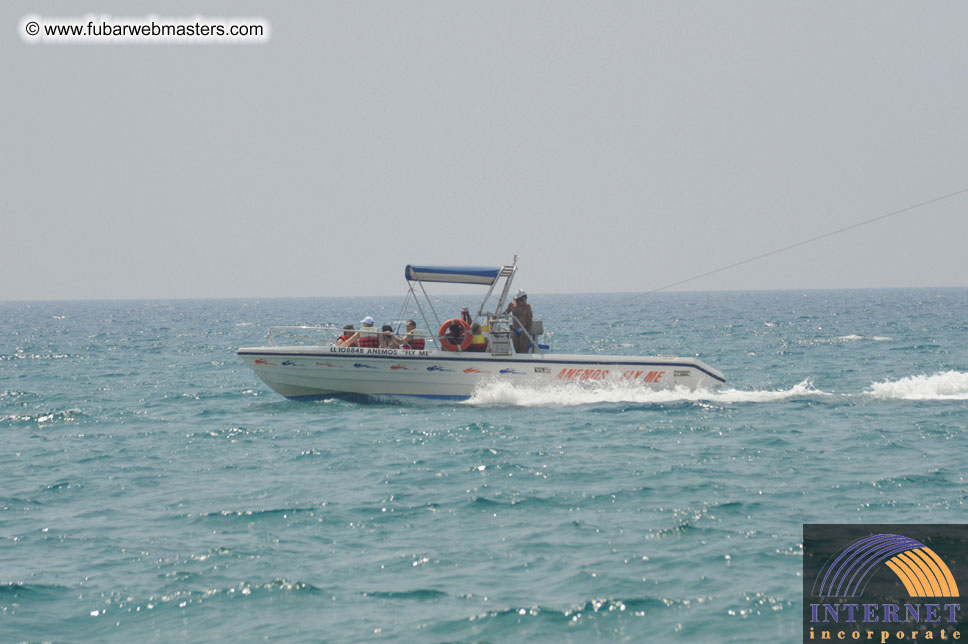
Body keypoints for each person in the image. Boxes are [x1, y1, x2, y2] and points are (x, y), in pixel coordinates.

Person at [505, 289, 533, 353]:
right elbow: (506, 312)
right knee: (516, 348)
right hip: (515, 329)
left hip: (524, 329)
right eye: (524, 297)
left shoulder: (527, 306)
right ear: (520, 298)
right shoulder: (512, 305)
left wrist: (528, 330)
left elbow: (529, 319)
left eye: (526, 297)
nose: (525, 299)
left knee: (523, 348)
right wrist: (498, 316)